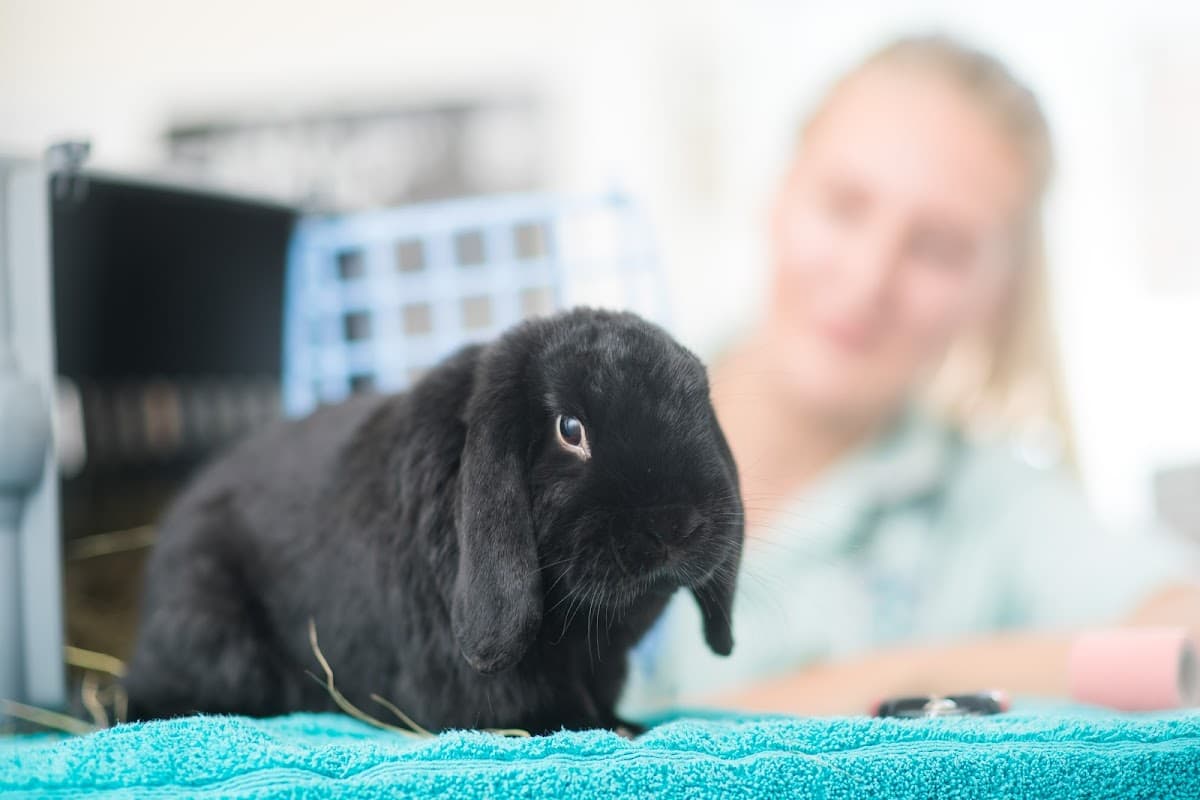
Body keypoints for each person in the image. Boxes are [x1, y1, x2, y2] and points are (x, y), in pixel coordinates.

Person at [623, 34, 1200, 717]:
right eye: (843, 205)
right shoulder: (574, 423)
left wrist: (916, 676)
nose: (868, 281)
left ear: (997, 294)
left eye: (938, 249)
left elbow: (1185, 645)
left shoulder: (995, 511)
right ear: (777, 194)